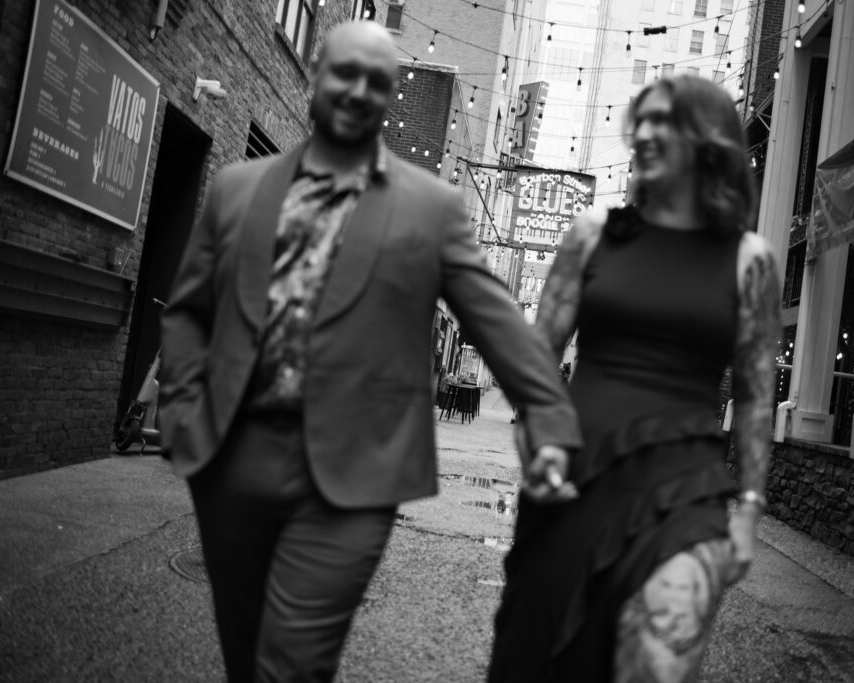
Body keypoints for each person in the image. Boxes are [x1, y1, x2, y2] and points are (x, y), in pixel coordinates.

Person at [158, 21, 581, 683]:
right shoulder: (236, 189)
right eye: (345, 73)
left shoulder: (430, 208)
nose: (358, 91)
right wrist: (182, 410)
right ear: (315, 73)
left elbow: (498, 322)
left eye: (377, 82)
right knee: (248, 659)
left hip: (352, 477)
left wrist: (550, 420)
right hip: (232, 457)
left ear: (390, 97)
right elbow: (188, 311)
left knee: (290, 665)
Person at [488, 75, 781, 682]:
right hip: (576, 475)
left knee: (657, 663)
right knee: (538, 658)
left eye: (662, 121)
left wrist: (749, 509)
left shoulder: (751, 260)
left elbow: (754, 396)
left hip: (685, 488)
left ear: (706, 142)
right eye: (639, 120)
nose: (642, 132)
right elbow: (538, 361)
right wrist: (534, 439)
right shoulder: (593, 235)